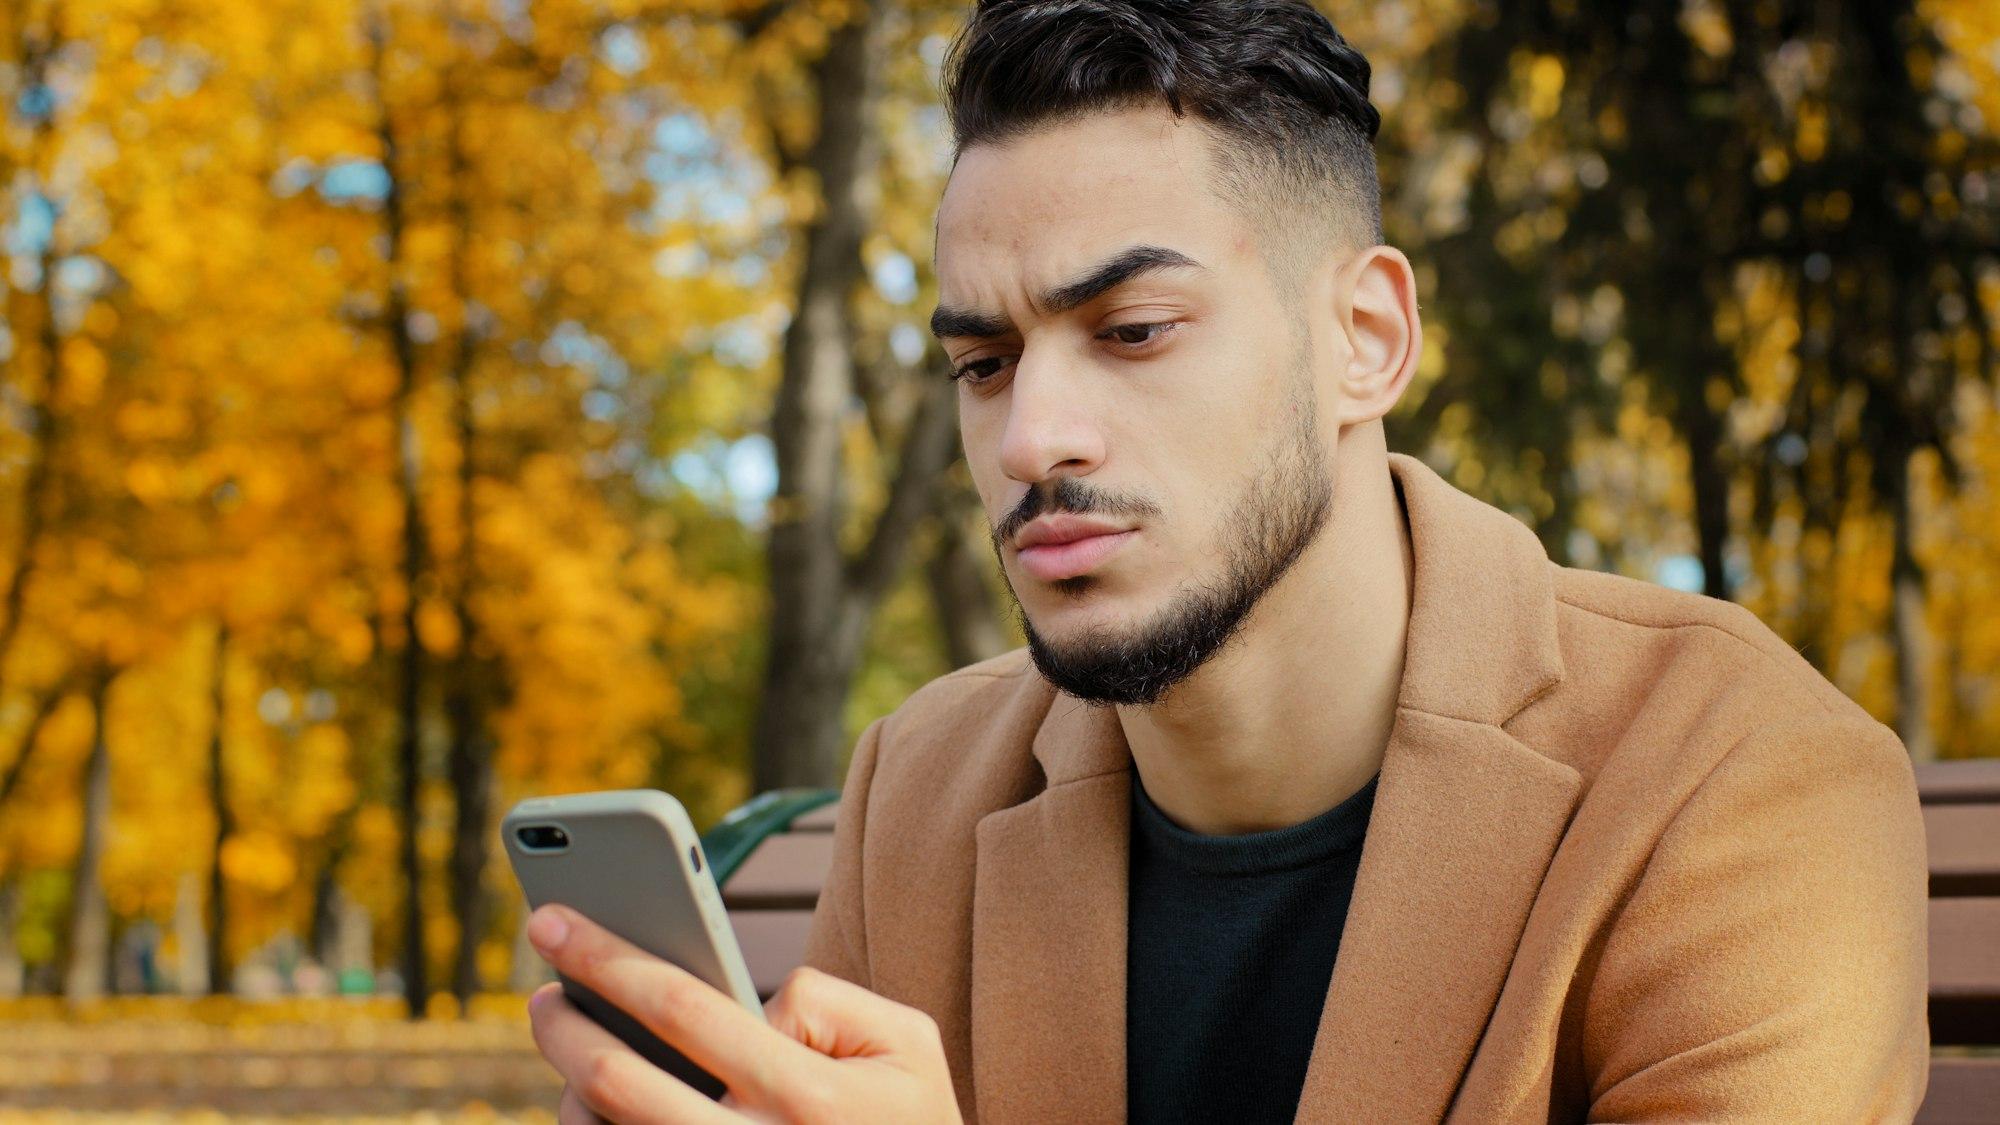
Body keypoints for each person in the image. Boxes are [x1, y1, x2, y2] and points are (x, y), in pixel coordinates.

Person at [522, 1, 1931, 1121]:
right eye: (982, 359)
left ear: (1365, 342)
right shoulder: (922, 786)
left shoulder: (1737, 775)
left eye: (1133, 329)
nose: (1031, 435)